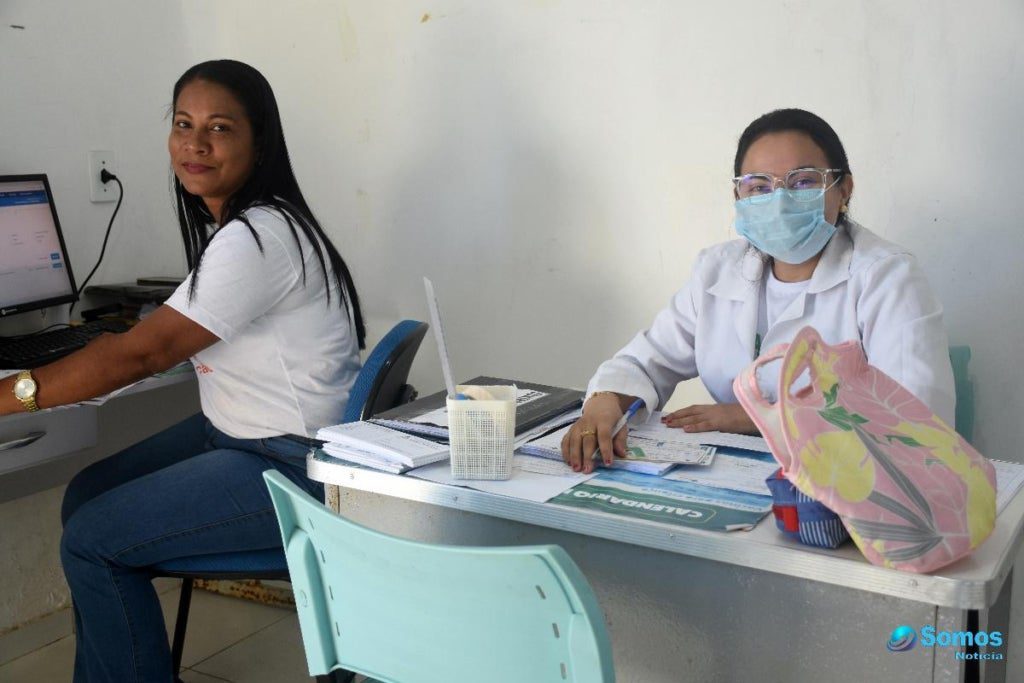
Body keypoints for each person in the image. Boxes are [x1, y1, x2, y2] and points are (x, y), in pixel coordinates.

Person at [0, 60, 365, 682]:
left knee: (92, 542)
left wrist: (14, 392)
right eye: (182, 124)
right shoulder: (253, 226)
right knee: (88, 496)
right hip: (248, 436)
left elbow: (141, 354)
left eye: (219, 128)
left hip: (287, 464)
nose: (194, 144)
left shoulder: (258, 238)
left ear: (259, 141)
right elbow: (146, 345)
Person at [563, 108, 955, 474]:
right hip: (739, 474)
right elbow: (646, 361)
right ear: (739, 197)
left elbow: (912, 423)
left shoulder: (887, 276)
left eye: (803, 182)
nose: (780, 200)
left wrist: (753, 417)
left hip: (856, 484)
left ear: (844, 189)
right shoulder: (718, 271)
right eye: (759, 187)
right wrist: (604, 403)